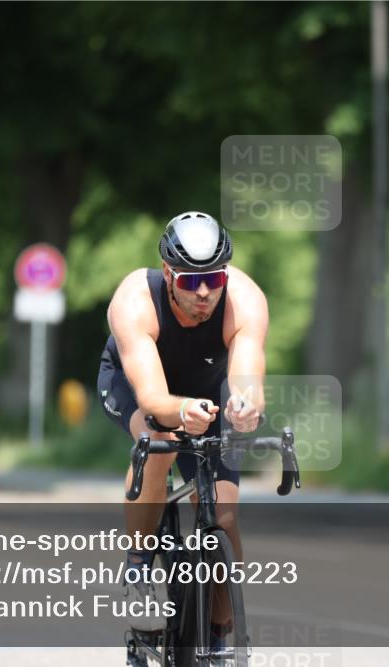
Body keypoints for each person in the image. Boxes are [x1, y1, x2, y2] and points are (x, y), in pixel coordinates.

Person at [97, 211, 267, 657]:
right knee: (160, 440)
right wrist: (180, 409)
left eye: (213, 278)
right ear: (169, 274)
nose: (205, 292)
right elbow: (154, 398)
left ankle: (218, 631)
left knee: (225, 518)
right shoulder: (135, 300)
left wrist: (246, 408)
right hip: (138, 387)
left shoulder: (244, 299)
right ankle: (137, 565)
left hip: (208, 391)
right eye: (191, 282)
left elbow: (248, 377)